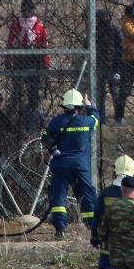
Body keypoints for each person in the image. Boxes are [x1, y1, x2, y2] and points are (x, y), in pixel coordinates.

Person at [42, 89, 99, 239]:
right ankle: (92, 228)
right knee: (86, 195)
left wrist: (53, 149)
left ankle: (60, 229)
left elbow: (45, 138)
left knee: (58, 196)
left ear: (65, 106)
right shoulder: (87, 121)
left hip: (60, 164)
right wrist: (90, 106)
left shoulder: (56, 122)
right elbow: (96, 119)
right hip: (80, 165)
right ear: (79, 106)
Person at [7, 0, 48, 118]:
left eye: (29, 10)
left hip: (34, 60)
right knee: (17, 90)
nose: (27, 12)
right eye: (24, 10)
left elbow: (44, 46)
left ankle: (32, 114)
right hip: (19, 59)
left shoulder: (39, 26)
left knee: (33, 90)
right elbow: (10, 43)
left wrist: (45, 64)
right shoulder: (16, 25)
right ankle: (18, 115)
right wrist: (8, 59)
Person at [95, 9, 123, 124]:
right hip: (99, 66)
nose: (98, 20)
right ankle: (101, 119)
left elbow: (120, 48)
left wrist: (118, 66)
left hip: (113, 66)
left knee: (115, 92)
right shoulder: (95, 31)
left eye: (99, 18)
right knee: (100, 94)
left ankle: (119, 117)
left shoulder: (114, 30)